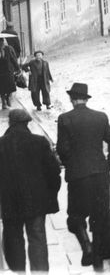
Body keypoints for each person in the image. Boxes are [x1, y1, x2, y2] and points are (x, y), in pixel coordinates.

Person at [56, 83, 110, 271]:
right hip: (100, 175)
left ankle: (87, 247)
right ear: (85, 98)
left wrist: (71, 165)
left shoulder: (64, 119)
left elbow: (62, 149)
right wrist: (108, 166)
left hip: (78, 176)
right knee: (100, 218)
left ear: (72, 99)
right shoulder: (100, 117)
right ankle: (98, 263)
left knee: (75, 217)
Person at [0, 109, 61, 272]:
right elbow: (54, 173)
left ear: (10, 123)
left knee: (13, 239)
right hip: (36, 203)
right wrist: (51, 195)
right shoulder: (40, 142)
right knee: (37, 239)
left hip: (9, 203)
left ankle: (18, 271)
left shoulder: (1, 144)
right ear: (27, 123)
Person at [0, 37, 18, 109]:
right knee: (1, 89)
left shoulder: (7, 48)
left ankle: (7, 98)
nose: (2, 43)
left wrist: (18, 68)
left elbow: (12, 58)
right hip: (0, 72)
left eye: (2, 41)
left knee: (10, 87)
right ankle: (3, 102)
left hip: (8, 71)